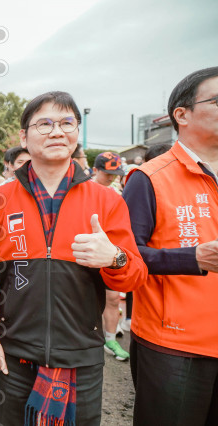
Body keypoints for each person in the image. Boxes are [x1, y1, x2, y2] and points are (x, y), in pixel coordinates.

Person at [0, 91, 148, 426]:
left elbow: (135, 275)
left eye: (67, 123)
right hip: (15, 352)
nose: (57, 132)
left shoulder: (106, 200)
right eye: (45, 124)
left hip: (82, 353)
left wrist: (114, 258)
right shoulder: (0, 199)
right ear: (24, 137)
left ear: (77, 132)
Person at [123, 67, 218, 425]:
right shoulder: (149, 178)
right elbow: (125, 256)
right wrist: (194, 258)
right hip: (175, 345)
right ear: (182, 114)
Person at [90, 152, 131, 361]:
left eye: (115, 174)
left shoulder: (116, 192)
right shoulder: (83, 190)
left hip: (111, 251)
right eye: (107, 173)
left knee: (113, 298)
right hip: (87, 252)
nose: (112, 178)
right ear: (95, 170)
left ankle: (111, 339)